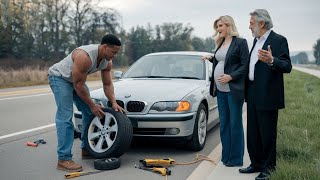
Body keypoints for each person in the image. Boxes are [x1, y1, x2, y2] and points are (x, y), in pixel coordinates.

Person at [48, 34, 125, 172]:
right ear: (104, 47)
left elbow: (107, 84)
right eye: (113, 52)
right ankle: (64, 159)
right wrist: (92, 104)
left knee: (90, 112)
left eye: (117, 53)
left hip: (76, 81)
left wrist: (113, 102)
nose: (115, 56)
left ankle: (86, 148)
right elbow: (78, 86)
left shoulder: (107, 61)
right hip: (60, 78)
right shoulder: (85, 57)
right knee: (65, 117)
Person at [238, 9, 292, 180]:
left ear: (262, 23)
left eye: (251, 23)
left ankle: (269, 169)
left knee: (267, 133)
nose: (249, 26)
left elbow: (287, 66)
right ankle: (256, 163)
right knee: (253, 132)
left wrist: (272, 60)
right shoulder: (255, 40)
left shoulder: (278, 40)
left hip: (268, 94)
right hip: (253, 92)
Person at [202, 15, 249, 167]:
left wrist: (230, 76)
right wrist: (211, 58)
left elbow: (245, 65)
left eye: (221, 26)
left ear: (229, 26)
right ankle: (226, 156)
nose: (218, 29)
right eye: (217, 26)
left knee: (235, 124)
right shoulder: (220, 42)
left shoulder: (240, 43)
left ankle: (236, 159)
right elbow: (222, 60)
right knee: (224, 125)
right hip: (220, 91)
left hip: (233, 90)